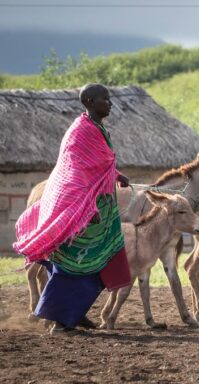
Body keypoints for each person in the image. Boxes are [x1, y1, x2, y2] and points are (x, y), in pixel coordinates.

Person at [14, 83, 132, 334]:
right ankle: (59, 321)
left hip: (98, 214)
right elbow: (74, 170)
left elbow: (98, 164)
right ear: (89, 101)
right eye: (104, 98)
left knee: (99, 264)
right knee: (74, 266)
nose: (109, 103)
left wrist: (116, 175)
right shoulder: (81, 131)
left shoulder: (96, 128)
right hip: (83, 214)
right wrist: (89, 200)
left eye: (109, 98)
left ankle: (74, 313)